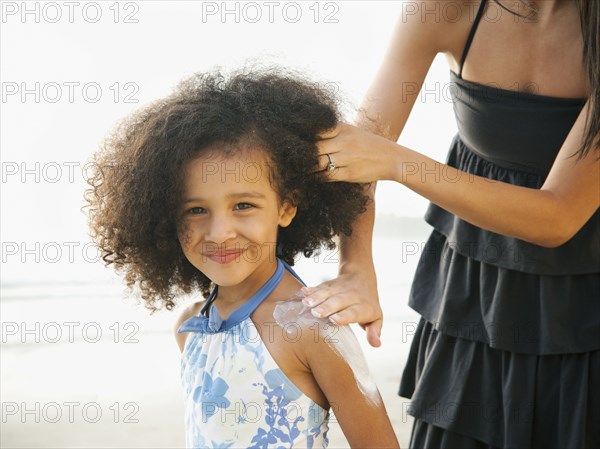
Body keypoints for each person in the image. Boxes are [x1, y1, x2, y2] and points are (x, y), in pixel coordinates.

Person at [301, 0, 600, 447]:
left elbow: (557, 216)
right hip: (472, 301)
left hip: (585, 309)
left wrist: (397, 162)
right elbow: (357, 152)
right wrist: (356, 267)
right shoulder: (445, 7)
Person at [85, 69, 400, 448]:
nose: (219, 232)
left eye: (244, 205)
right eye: (196, 210)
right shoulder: (190, 329)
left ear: (285, 206)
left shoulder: (312, 328)